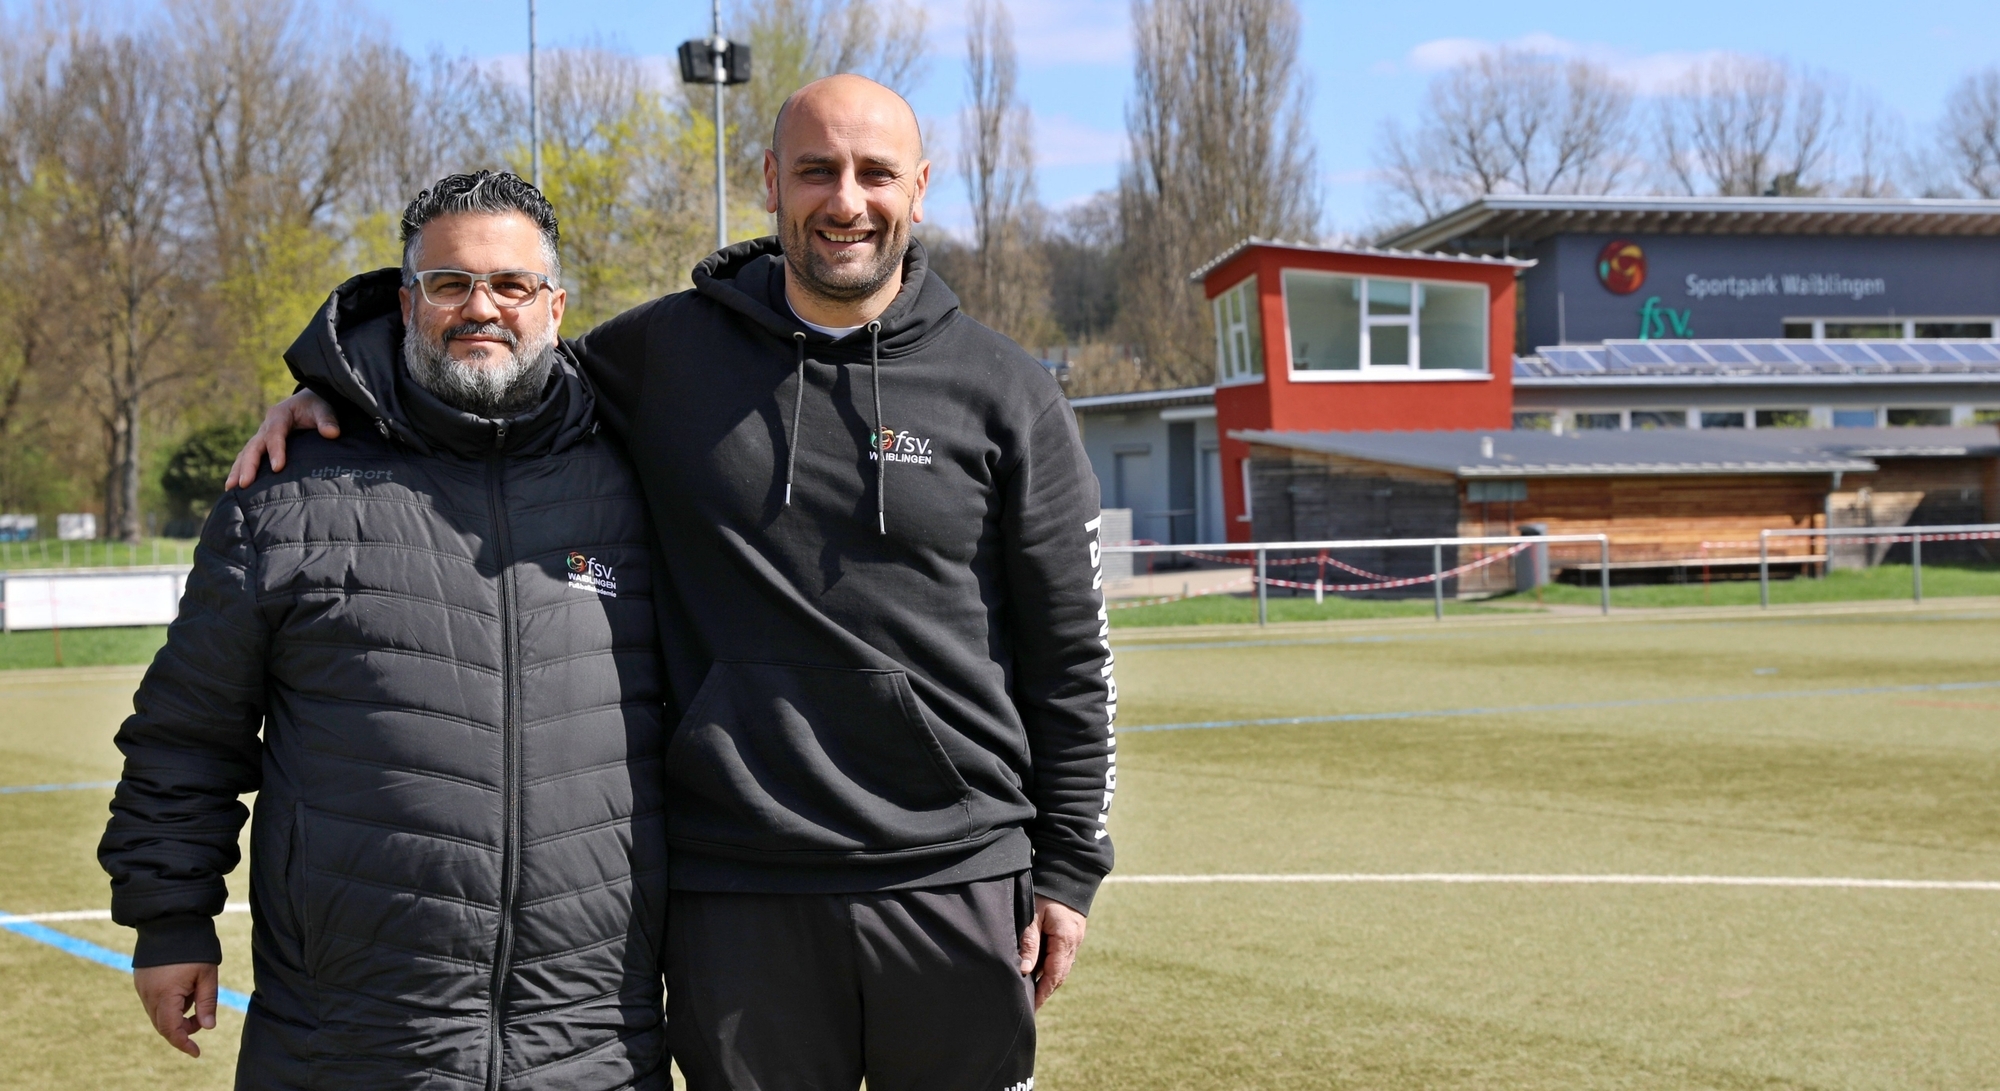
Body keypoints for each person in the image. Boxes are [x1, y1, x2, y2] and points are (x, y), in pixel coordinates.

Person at [232, 75, 1115, 1091]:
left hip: (954, 876)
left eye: (875, 173)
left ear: (918, 190)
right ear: (771, 180)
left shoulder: (1010, 392)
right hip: (734, 889)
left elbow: (1071, 657)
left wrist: (1065, 868)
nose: (845, 200)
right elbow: (489, 353)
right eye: (817, 170)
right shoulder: (660, 352)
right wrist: (331, 387)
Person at [101, 172, 670, 1090]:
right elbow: (186, 733)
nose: (478, 306)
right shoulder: (288, 491)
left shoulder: (644, 481)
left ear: (555, 307)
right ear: (407, 302)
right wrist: (169, 916)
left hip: (593, 1041)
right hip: (348, 1041)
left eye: (510, 284)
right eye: (448, 283)